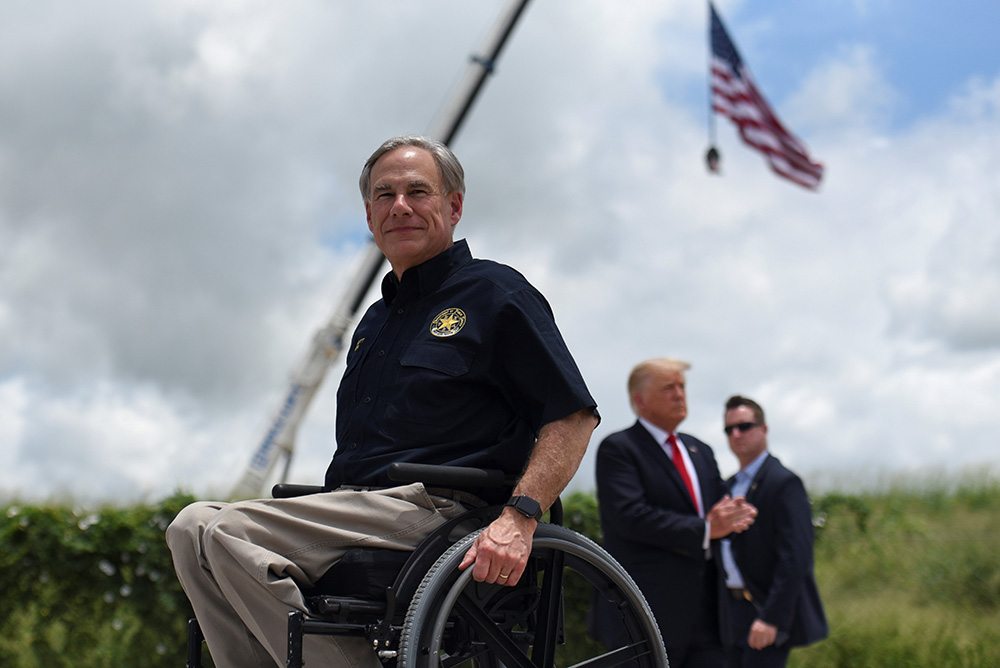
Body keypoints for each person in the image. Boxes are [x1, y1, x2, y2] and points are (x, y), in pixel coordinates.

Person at [166, 135, 599, 668]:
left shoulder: (495, 293)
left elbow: (573, 417)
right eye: (384, 194)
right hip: (357, 509)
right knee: (189, 527)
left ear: (454, 205)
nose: (400, 206)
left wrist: (520, 516)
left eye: (418, 191)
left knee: (228, 531)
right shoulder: (373, 324)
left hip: (439, 512)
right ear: (369, 216)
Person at [590, 358, 756, 668]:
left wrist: (735, 514)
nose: (680, 394)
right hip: (645, 615)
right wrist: (706, 529)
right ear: (640, 401)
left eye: (682, 386)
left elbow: (719, 508)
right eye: (669, 388)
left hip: (707, 616)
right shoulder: (619, 449)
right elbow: (631, 517)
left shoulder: (700, 450)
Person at [720, 395, 828, 668]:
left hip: (762, 609)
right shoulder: (727, 485)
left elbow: (796, 557)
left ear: (763, 429)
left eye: (744, 426)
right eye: (729, 429)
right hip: (728, 611)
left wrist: (771, 617)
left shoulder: (784, 483)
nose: (736, 434)